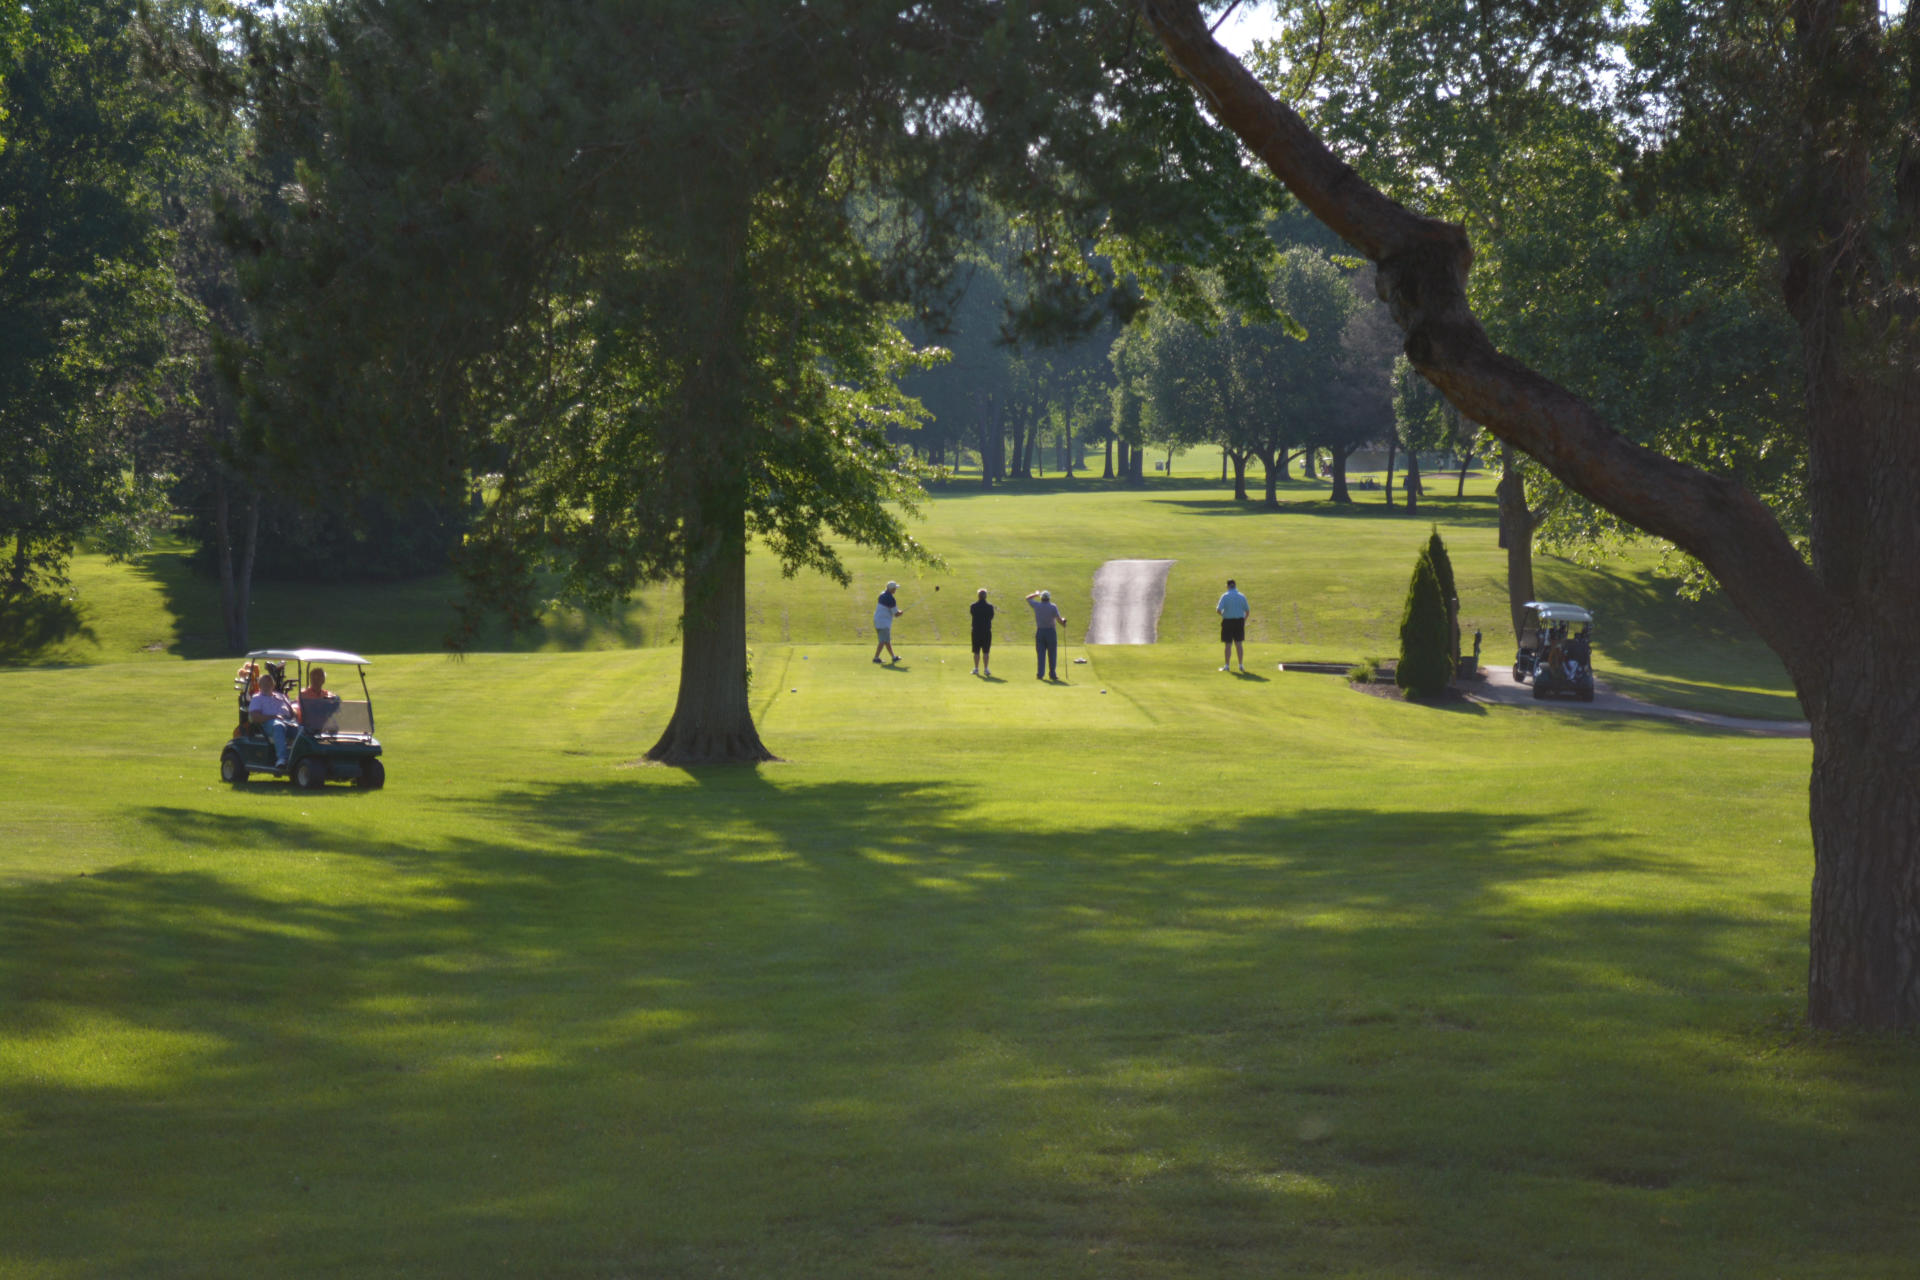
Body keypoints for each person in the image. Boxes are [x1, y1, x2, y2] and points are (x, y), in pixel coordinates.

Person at [248, 671, 300, 768]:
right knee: (278, 725)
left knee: (303, 729)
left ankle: (301, 756)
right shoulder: (257, 698)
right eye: (264, 684)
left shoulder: (281, 696)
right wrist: (273, 717)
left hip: (287, 721)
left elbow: (292, 711)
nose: (267, 686)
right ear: (260, 686)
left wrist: (296, 712)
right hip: (268, 723)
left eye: (269, 683)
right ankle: (282, 758)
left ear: (273, 685)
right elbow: (255, 717)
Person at [1026, 589, 1066, 681]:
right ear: (1049, 598)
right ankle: (1052, 674)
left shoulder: (1037, 605)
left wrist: (1036, 594)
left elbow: (1027, 598)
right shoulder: (1053, 607)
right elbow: (1059, 619)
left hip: (1040, 631)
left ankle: (1040, 674)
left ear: (1041, 598)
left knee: (1041, 654)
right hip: (1051, 632)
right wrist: (1063, 622)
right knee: (1052, 654)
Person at [1216, 578, 1250, 672]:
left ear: (1227, 586)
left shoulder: (1225, 596)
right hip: (1239, 621)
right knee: (1239, 644)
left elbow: (1218, 610)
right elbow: (1247, 611)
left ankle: (1227, 666)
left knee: (1228, 644)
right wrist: (1244, 620)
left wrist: (1224, 614)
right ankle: (1241, 665)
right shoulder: (1241, 596)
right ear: (1235, 586)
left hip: (1228, 622)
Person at [873, 581, 904, 664]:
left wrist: (898, 612)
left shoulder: (882, 594)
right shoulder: (891, 599)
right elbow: (896, 614)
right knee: (883, 641)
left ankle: (893, 657)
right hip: (884, 622)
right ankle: (876, 658)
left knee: (886, 640)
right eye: (895, 589)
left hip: (877, 620)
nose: (895, 590)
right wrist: (900, 613)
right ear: (892, 589)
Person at [969, 588, 995, 676]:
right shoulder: (990, 607)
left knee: (976, 651)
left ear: (978, 596)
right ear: (985, 596)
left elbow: (972, 614)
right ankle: (986, 669)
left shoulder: (973, 606)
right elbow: (991, 617)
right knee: (986, 651)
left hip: (976, 631)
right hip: (986, 631)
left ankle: (976, 668)